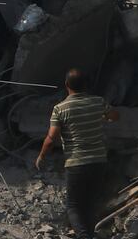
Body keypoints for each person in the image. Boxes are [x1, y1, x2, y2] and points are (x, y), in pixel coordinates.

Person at [35, 68, 119, 239]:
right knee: (90, 203)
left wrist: (41, 156)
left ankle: (84, 236)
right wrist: (104, 118)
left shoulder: (60, 109)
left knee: (73, 206)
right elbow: (115, 116)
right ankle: (89, 234)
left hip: (76, 163)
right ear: (86, 85)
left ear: (66, 85)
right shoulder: (98, 102)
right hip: (98, 161)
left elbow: (51, 139)